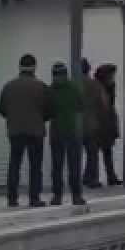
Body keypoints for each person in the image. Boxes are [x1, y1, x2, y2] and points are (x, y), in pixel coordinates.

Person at [0, 54, 50, 208]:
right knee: (35, 166)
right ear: (34, 67)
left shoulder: (9, 86)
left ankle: (12, 198)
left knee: (14, 163)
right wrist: (40, 119)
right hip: (35, 131)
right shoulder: (41, 86)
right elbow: (49, 109)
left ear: (19, 66)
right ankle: (34, 198)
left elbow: (1, 108)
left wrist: (12, 117)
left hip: (15, 130)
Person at [47, 62, 86, 206]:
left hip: (56, 132)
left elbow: (46, 110)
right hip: (72, 132)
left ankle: (57, 196)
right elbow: (81, 106)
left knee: (57, 167)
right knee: (74, 166)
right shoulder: (74, 89)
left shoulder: (50, 90)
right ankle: (76, 196)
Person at [79, 59, 110, 189]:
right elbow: (104, 105)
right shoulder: (95, 85)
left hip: (74, 123)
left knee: (73, 153)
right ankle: (91, 178)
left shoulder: (73, 84)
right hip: (91, 123)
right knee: (92, 153)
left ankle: (78, 177)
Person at [91, 64, 122, 186]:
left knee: (106, 150)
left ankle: (110, 175)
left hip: (106, 122)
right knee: (97, 151)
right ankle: (97, 176)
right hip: (101, 122)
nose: (113, 78)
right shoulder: (99, 88)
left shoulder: (109, 88)